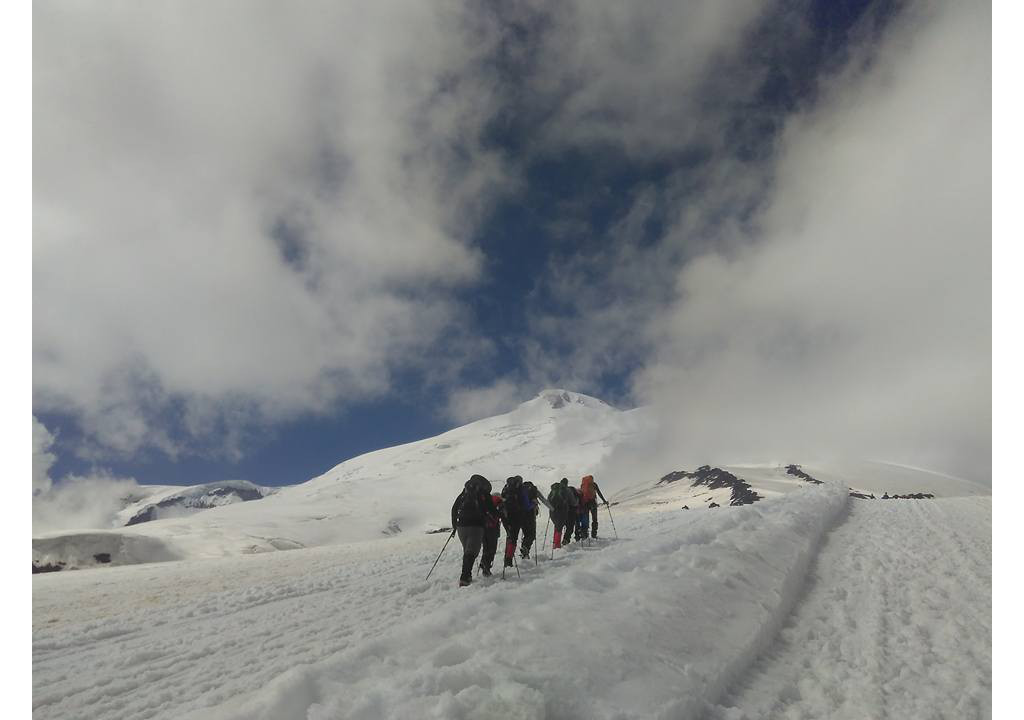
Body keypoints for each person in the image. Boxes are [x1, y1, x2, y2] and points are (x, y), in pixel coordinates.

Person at [451, 474, 498, 587]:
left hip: (461, 526)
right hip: (476, 526)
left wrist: (455, 526)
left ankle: (466, 575)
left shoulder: (464, 493)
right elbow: (492, 510)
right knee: (471, 553)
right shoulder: (483, 493)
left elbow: (454, 509)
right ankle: (465, 578)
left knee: (468, 551)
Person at [519, 480, 553, 559]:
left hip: (520, 515)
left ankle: (525, 551)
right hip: (531, 515)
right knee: (531, 534)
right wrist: (552, 509)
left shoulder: (520, 491)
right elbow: (543, 500)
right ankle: (525, 549)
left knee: (526, 533)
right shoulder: (534, 491)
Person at [479, 492, 505, 577]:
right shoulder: (500, 502)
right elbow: (502, 515)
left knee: (486, 547)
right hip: (493, 528)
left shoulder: (485, 500)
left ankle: (483, 562)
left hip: (483, 527)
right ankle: (486, 567)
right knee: (492, 548)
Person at [579, 474, 609, 539]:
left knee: (586, 519)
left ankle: (585, 534)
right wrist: (604, 500)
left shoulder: (582, 485)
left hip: (585, 504)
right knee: (594, 519)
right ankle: (594, 534)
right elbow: (599, 493)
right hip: (593, 503)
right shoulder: (594, 484)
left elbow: (581, 494)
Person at [547, 478, 573, 549]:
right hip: (562, 511)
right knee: (559, 527)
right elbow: (572, 502)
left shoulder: (554, 489)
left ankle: (555, 543)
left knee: (557, 526)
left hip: (552, 511)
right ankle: (557, 544)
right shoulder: (566, 490)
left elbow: (548, 499)